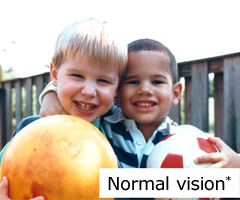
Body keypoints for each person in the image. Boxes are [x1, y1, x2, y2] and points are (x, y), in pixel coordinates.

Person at [38, 38, 240, 169]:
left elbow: (223, 171)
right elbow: (74, 99)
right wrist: (51, 94)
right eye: (133, 81)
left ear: (175, 92)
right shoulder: (103, 122)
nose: (145, 89)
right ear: (116, 92)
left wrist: (236, 165)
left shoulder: (189, 141)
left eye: (157, 82)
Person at [0, 18, 128, 200]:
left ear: (116, 89)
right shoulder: (30, 131)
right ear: (54, 74)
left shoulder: (119, 134)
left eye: (103, 81)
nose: (89, 91)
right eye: (77, 76)